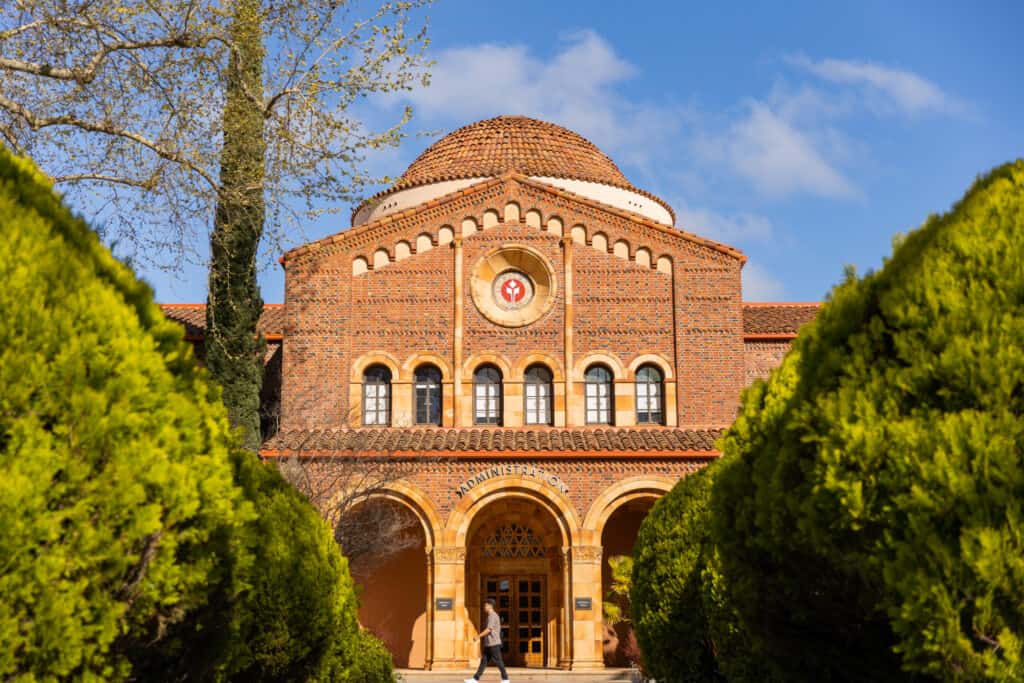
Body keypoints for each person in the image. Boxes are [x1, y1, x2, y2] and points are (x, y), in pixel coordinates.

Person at [464, 598, 510, 683]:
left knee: (499, 662)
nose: (484, 607)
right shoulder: (490, 616)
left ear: (490, 606)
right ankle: (475, 678)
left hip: (494, 643)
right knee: (483, 662)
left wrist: (478, 636)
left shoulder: (493, 616)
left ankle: (506, 678)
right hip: (489, 644)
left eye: (485, 605)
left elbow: (489, 629)